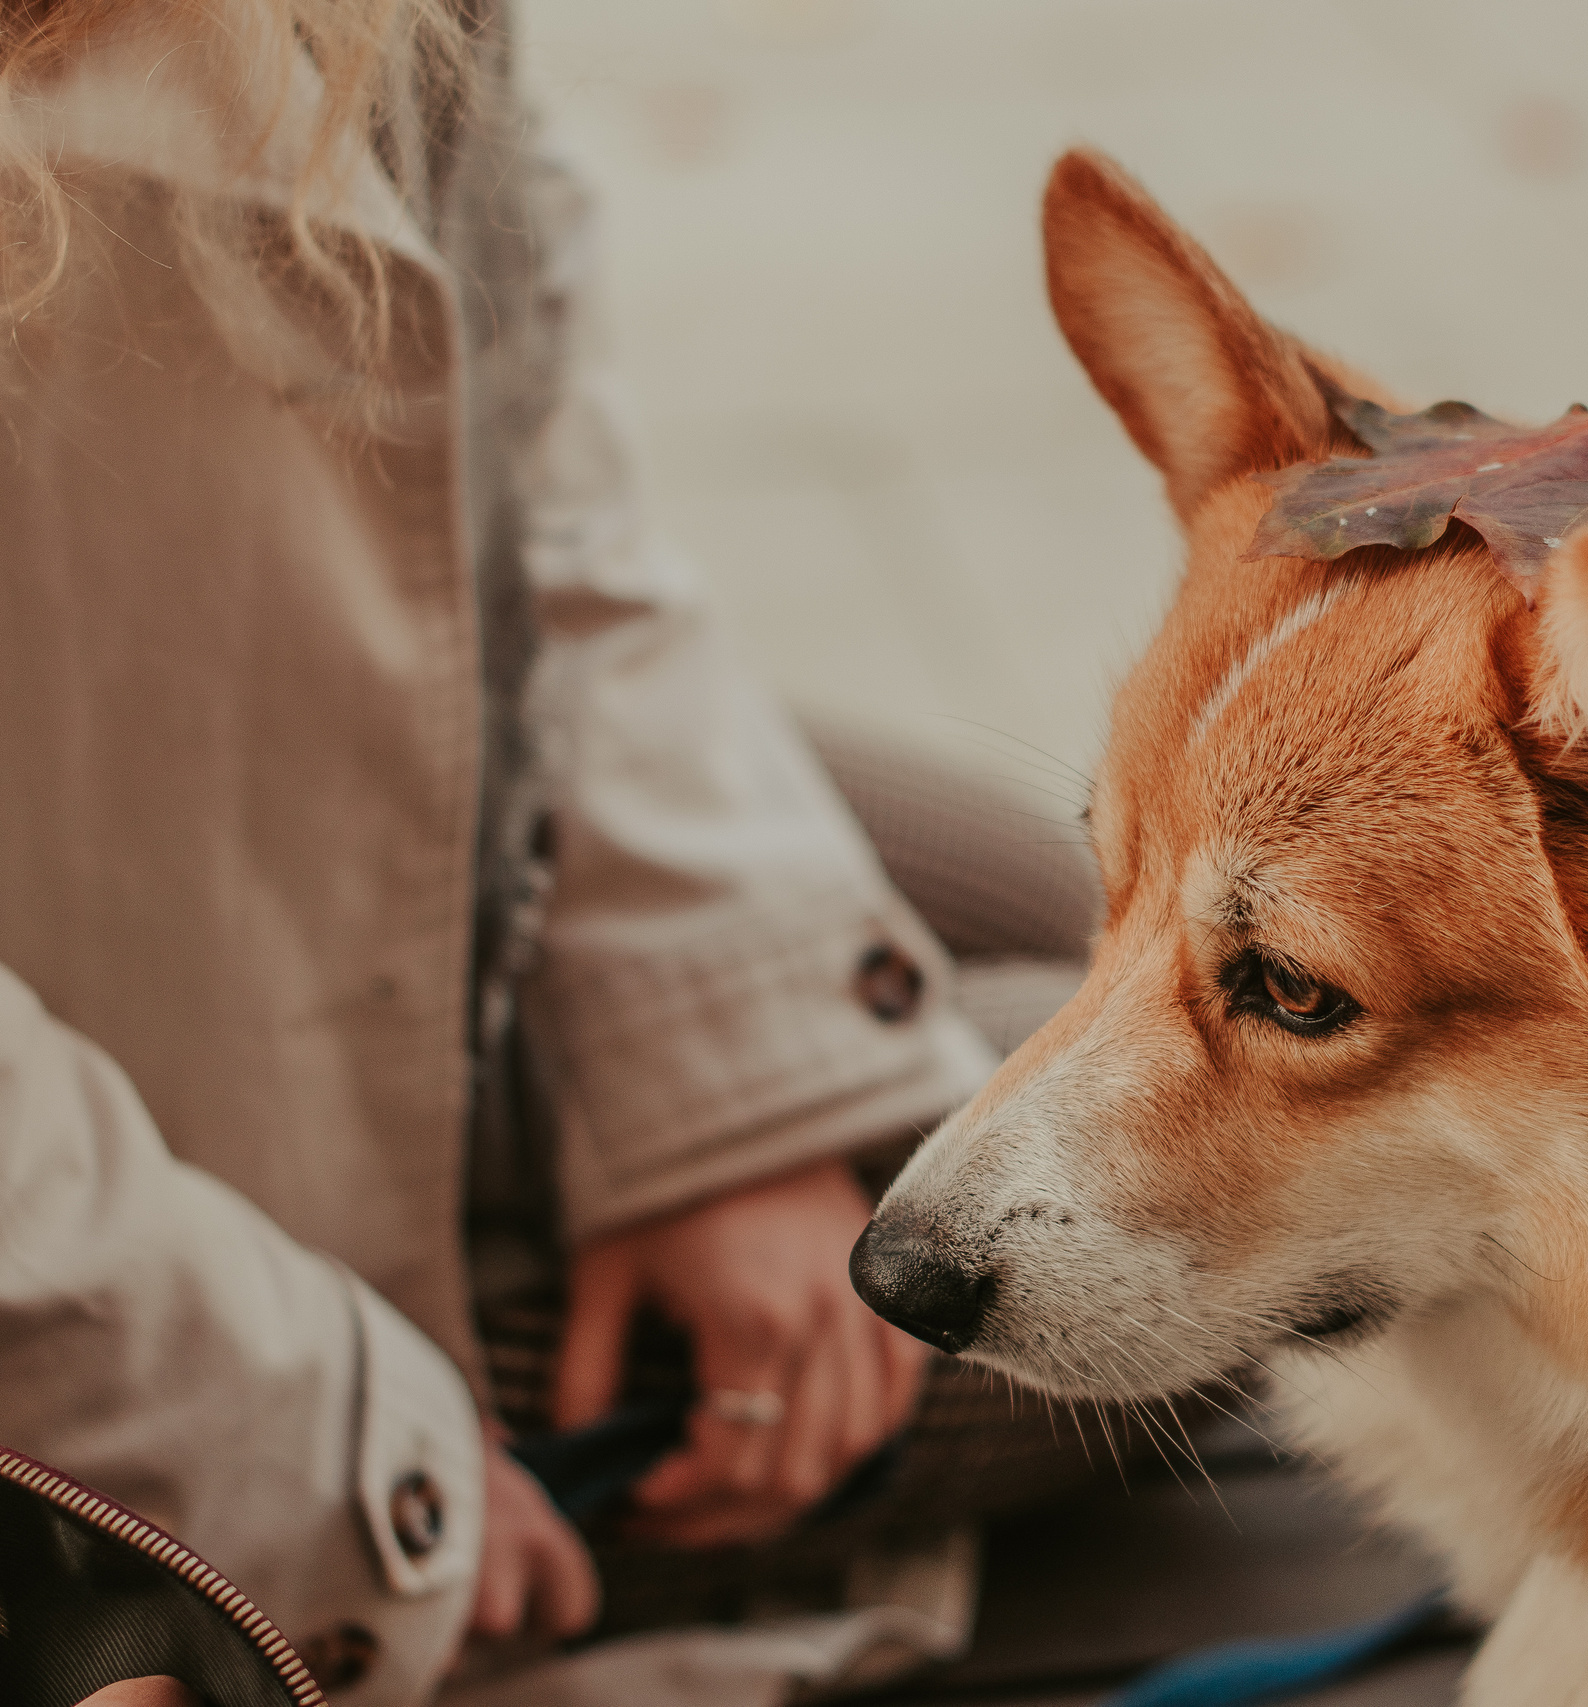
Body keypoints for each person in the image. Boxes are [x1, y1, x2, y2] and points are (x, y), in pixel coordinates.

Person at [0, 1, 1096, 1699]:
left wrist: (718, 1078)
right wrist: (325, 1448)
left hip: (232, 754)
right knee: (1115, 1279)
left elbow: (514, 380)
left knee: (1059, 925)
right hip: (101, 1136)